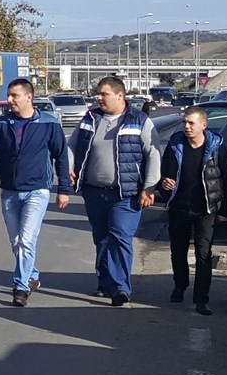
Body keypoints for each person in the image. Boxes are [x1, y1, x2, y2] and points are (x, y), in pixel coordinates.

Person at [0, 78, 72, 307]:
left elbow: (61, 157)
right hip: (10, 191)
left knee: (27, 239)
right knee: (16, 241)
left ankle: (20, 287)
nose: (9, 101)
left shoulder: (48, 124)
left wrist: (64, 190)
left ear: (29, 97)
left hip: (37, 191)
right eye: (9, 95)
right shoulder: (4, 123)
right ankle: (32, 275)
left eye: (14, 96)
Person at [68, 76, 160, 306]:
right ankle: (105, 281)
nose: (99, 98)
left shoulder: (139, 120)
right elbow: (72, 145)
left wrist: (149, 187)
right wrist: (69, 168)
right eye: (98, 94)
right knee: (101, 238)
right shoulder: (91, 118)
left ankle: (120, 287)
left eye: (104, 94)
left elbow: (153, 153)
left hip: (126, 193)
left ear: (120, 96)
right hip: (94, 192)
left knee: (120, 236)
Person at [157, 106, 227, 316]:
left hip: (206, 209)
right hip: (180, 207)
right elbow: (165, 174)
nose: (187, 127)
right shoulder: (175, 145)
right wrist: (165, 184)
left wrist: (223, 210)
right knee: (178, 250)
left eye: (191, 123)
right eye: (185, 122)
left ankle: (201, 299)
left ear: (203, 125)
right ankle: (180, 285)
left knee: (203, 253)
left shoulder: (217, 148)